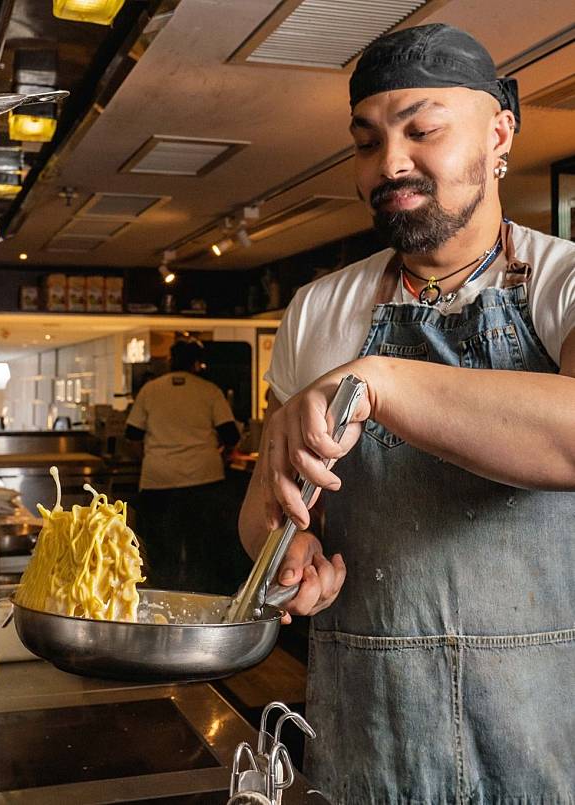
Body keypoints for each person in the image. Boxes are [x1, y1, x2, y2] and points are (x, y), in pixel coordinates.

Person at [239, 23, 575, 804]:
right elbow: (266, 508)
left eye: (422, 130)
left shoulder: (562, 281)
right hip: (367, 734)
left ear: (500, 133)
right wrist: (287, 555)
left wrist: (379, 380)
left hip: (548, 736)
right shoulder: (319, 308)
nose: (390, 164)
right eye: (366, 142)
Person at [126, 338, 240, 593]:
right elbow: (231, 435)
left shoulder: (150, 390)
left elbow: (132, 436)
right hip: (204, 480)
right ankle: (200, 607)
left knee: (158, 553)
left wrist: (150, 459)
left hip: (158, 482)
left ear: (170, 360)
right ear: (197, 363)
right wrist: (224, 454)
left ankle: (161, 605)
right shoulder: (210, 390)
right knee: (203, 553)